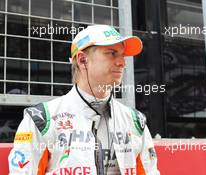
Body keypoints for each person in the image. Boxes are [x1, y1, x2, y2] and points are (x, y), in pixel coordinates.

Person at [8, 25, 160, 175]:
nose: (122, 63)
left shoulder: (135, 121)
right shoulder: (42, 119)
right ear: (82, 60)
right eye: (112, 53)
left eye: (123, 55)